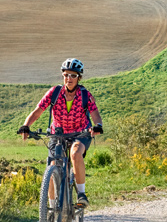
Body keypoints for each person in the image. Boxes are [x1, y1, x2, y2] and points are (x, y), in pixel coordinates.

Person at [17, 58, 103, 208]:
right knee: (52, 166)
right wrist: (26, 125)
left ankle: (81, 194)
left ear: (79, 78)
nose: (69, 78)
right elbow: (38, 111)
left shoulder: (85, 95)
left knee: (75, 153)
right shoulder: (54, 92)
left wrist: (98, 126)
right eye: (66, 75)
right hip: (57, 134)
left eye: (73, 76)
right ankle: (50, 209)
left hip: (80, 133)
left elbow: (94, 112)